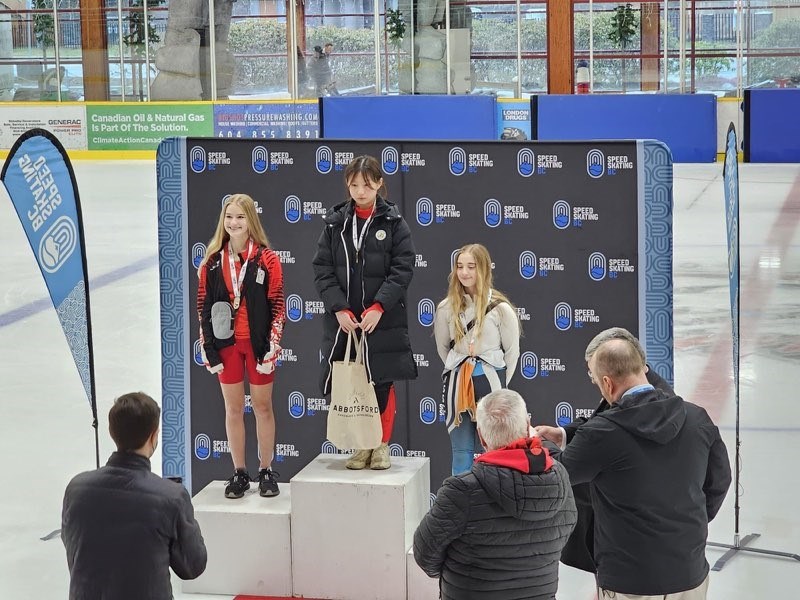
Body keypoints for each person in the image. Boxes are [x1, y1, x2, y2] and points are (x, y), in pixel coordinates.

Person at [546, 328, 731, 600]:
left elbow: (558, 476)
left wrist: (539, 445)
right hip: (688, 571)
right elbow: (719, 481)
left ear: (608, 383)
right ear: (642, 367)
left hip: (629, 580)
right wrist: (691, 523)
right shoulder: (697, 419)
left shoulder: (602, 433)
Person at [534, 327, 676, 573]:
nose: (597, 384)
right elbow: (602, 422)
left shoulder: (655, 403)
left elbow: (567, 469)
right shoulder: (636, 389)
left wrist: (539, 444)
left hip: (628, 546)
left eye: (596, 377)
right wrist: (564, 434)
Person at [413, 389, 577, 600]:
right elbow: (566, 530)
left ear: (481, 437)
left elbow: (425, 554)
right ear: (528, 427)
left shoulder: (461, 491)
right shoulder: (559, 477)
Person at [312, 154, 416, 470]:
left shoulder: (394, 223)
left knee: (380, 380)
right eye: (355, 185)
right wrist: (339, 308)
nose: (360, 191)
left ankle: (380, 445)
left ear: (379, 185)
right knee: (351, 381)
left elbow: (403, 267)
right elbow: (322, 269)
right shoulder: (335, 224)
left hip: (380, 321)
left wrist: (380, 305)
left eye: (367, 185)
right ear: (347, 184)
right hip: (345, 323)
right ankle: (360, 445)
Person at [62, 392, 207, 600]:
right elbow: (193, 566)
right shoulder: (171, 497)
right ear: (153, 436)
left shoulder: (76, 489)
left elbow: (75, 552)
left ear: (112, 432)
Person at [197, 193, 286, 499]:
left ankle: (265, 470)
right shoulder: (211, 262)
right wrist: (208, 347)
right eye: (229, 217)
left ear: (251, 221)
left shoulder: (267, 259)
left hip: (259, 345)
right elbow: (203, 308)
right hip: (227, 346)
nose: (233, 223)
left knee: (262, 407)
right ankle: (239, 472)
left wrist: (273, 346)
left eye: (240, 217)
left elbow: (278, 307)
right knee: (233, 408)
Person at [434, 243, 520, 475]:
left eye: (471, 266)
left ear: (483, 269)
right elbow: (444, 350)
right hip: (458, 384)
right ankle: (459, 503)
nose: (464, 272)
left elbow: (512, 353)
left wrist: (499, 386)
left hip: (491, 383)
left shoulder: (501, 309)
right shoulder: (445, 308)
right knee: (461, 452)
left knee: (496, 449)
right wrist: (460, 370)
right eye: (460, 266)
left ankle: (495, 501)